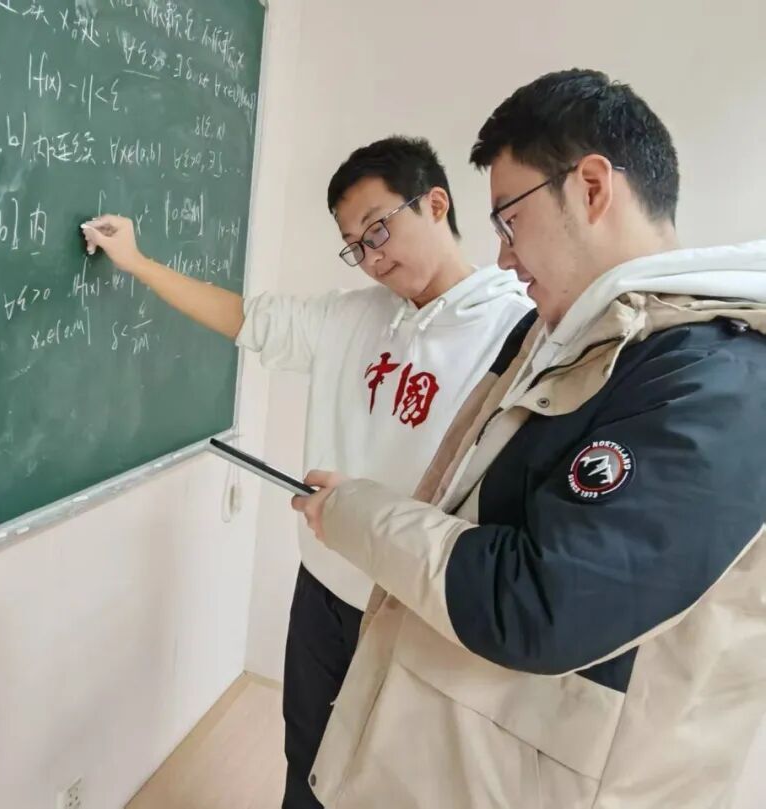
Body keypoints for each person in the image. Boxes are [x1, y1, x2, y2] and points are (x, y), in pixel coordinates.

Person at [293, 69, 766, 808]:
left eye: (509, 220)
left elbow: (542, 604)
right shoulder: (559, 337)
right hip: (457, 758)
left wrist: (357, 513)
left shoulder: (718, 381)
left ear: (592, 188)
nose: (505, 257)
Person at [81, 135, 532, 809]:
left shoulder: (516, 332)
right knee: (307, 758)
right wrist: (138, 263)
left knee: (396, 785)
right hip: (324, 587)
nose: (372, 258)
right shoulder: (353, 315)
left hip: (417, 612)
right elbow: (246, 319)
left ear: (436, 204)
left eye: (378, 229)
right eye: (354, 245)